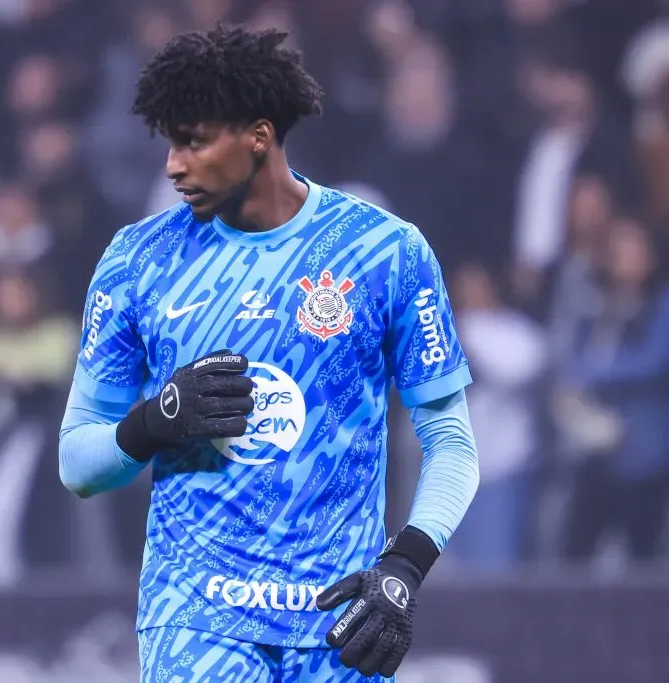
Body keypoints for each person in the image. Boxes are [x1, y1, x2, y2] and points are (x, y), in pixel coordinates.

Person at [58, 25, 480, 683]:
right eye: (170, 142)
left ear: (258, 136)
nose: (173, 164)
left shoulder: (383, 252)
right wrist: (153, 422)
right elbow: (77, 461)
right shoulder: (138, 261)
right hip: (195, 617)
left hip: (339, 622)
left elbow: (451, 440)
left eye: (193, 140)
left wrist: (403, 567)